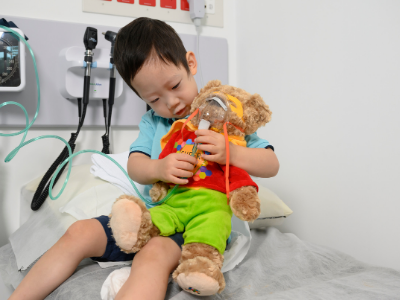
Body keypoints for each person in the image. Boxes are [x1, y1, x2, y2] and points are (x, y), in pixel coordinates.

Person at [9, 17, 279, 300]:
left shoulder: (223, 112)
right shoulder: (154, 123)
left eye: (175, 86)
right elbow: (135, 166)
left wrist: (231, 152)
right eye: (154, 99)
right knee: (80, 232)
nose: (171, 103)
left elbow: (271, 164)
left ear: (190, 63)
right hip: (158, 217)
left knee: (154, 254)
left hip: (199, 226)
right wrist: (159, 167)